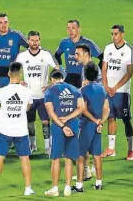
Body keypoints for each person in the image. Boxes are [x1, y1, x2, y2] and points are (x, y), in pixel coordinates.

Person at [0, 62, 35, 196]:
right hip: (21, 130)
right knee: (24, 159)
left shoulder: (0, 92)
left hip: (5, 130)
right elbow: (28, 108)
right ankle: (28, 188)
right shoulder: (28, 92)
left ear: (8, 74)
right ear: (20, 74)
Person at [16, 30, 59, 154]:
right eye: (32, 40)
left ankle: (47, 146)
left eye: (36, 40)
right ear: (28, 41)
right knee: (29, 122)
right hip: (28, 96)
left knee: (45, 121)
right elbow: (14, 70)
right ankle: (32, 144)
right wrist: (19, 81)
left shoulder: (45, 54)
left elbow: (57, 68)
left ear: (39, 41)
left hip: (43, 96)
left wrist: (52, 84)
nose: (34, 43)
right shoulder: (22, 56)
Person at [43, 69, 84, 197]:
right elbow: (81, 108)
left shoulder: (50, 91)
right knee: (69, 158)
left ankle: (55, 189)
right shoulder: (75, 89)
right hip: (73, 125)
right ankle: (67, 187)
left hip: (58, 127)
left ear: (52, 79)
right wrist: (68, 119)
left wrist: (62, 124)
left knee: (56, 158)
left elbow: (51, 113)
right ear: (63, 78)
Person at [72, 62, 110, 193]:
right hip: (97, 127)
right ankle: (99, 183)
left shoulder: (83, 90)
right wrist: (101, 122)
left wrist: (94, 120)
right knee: (97, 155)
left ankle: (79, 186)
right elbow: (106, 109)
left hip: (86, 126)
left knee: (81, 155)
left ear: (85, 75)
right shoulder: (102, 89)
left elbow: (83, 109)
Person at [101, 25, 133, 160]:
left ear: (122, 34)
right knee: (111, 117)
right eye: (112, 34)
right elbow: (104, 68)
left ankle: (130, 150)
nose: (113, 37)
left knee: (126, 120)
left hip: (121, 91)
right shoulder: (108, 48)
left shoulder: (129, 50)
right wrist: (105, 85)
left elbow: (129, 72)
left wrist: (115, 87)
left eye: (116, 34)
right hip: (108, 90)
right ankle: (111, 149)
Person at [0, 13, 28, 104]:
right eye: (0, 22)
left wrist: (22, 56)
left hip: (13, 72)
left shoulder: (16, 35)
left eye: (5, 22)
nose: (3, 25)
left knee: (14, 101)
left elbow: (31, 47)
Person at [54, 19, 103, 88]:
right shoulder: (64, 42)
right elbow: (57, 55)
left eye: (73, 28)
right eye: (68, 28)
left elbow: (103, 58)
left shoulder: (88, 43)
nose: (70, 31)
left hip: (83, 77)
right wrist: (60, 69)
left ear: (79, 29)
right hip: (69, 77)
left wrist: (95, 72)